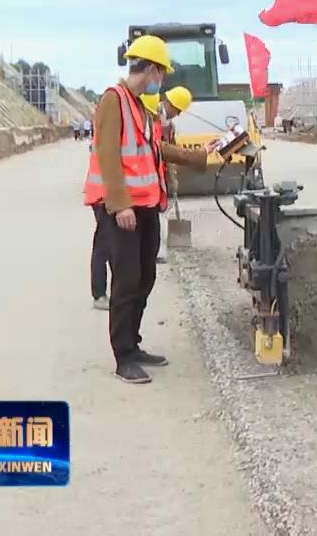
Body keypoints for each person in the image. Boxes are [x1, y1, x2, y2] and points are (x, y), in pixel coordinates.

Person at [83, 35, 216, 384]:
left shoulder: (140, 107)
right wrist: (119, 204)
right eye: (162, 73)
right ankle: (122, 356)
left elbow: (154, 150)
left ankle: (134, 343)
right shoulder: (113, 101)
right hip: (123, 208)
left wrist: (200, 158)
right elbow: (108, 154)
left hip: (145, 206)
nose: (162, 80)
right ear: (152, 69)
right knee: (126, 281)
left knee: (145, 276)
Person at [90, 86, 196, 306]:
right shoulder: (124, 119)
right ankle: (99, 294)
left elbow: (158, 153)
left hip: (122, 195)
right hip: (104, 194)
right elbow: (117, 160)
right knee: (104, 246)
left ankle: (116, 299)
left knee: (126, 261)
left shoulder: (155, 124)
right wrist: (122, 202)